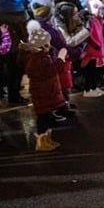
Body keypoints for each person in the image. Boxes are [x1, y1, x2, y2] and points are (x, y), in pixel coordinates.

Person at [17, 20, 68, 151]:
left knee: (45, 117)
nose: (50, 45)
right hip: (43, 93)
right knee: (43, 119)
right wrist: (61, 58)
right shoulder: (38, 59)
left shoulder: (38, 56)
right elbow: (51, 70)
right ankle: (41, 141)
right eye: (48, 43)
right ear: (44, 44)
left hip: (44, 92)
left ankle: (46, 139)